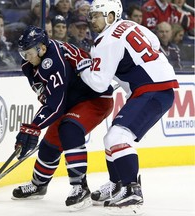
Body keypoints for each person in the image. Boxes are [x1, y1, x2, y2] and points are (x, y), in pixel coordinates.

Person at [64, 0, 179, 213]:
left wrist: (83, 68)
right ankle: (117, 184)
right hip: (158, 88)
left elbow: (98, 83)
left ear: (110, 16)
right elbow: (153, 43)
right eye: (92, 15)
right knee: (113, 137)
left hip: (151, 90)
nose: (92, 20)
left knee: (117, 137)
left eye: (97, 15)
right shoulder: (133, 26)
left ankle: (132, 191)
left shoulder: (105, 40)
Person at [11, 25, 114, 211]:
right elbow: (49, 98)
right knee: (50, 144)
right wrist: (35, 127)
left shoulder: (53, 59)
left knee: (69, 129)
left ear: (41, 48)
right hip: (70, 100)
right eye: (23, 53)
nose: (26, 57)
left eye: (29, 53)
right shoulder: (30, 64)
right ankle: (38, 185)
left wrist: (33, 127)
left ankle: (80, 187)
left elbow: (55, 105)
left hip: (95, 98)